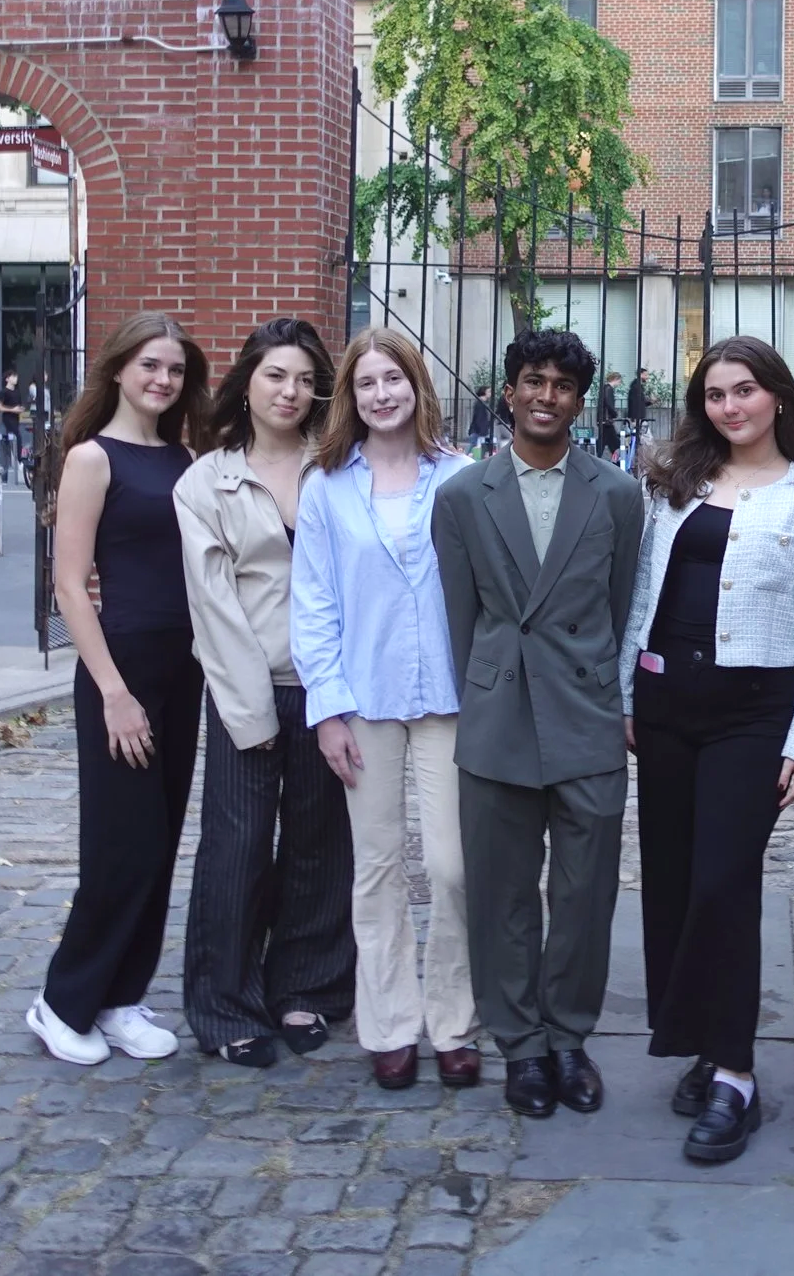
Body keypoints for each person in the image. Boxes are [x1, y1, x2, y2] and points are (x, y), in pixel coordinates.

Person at [623, 336, 794, 1165]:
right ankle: (699, 1039)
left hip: (753, 714)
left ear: (777, 396)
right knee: (675, 882)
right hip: (664, 705)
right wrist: (626, 695)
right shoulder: (674, 484)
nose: (731, 406)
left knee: (725, 882)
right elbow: (645, 595)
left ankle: (736, 1074)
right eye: (716, 394)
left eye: (745, 389)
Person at [433, 330, 645, 1119]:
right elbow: (461, 616)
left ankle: (567, 1038)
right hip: (499, 714)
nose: (545, 395)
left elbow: (621, 604)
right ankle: (520, 1043)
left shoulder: (617, 494)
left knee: (586, 890)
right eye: (532, 380)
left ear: (581, 400)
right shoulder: (464, 495)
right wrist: (487, 690)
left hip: (586, 711)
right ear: (509, 391)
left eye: (561, 384)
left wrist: (606, 690)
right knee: (502, 890)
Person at [290, 327, 479, 1092]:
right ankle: (391, 1023)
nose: (381, 394)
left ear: (416, 385)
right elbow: (313, 604)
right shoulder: (326, 486)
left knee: (452, 866)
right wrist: (327, 709)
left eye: (392, 379)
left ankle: (454, 1019)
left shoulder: (461, 477)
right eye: (366, 383)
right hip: (364, 695)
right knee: (376, 866)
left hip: (448, 696)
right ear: (351, 396)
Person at [26, 312, 211, 1066]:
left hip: (182, 669)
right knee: (119, 848)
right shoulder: (92, 459)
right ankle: (62, 1001)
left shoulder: (185, 458)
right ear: (120, 369)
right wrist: (113, 692)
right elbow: (70, 586)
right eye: (150, 365)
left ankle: (120, 997)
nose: (163, 379)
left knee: (159, 844)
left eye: (175, 369)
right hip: (122, 669)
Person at [176, 317, 357, 1068]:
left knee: (320, 845)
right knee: (238, 849)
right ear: (246, 383)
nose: (290, 391)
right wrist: (253, 713)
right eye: (275, 375)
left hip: (332, 690)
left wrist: (337, 693)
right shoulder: (206, 482)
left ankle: (306, 988)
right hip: (246, 688)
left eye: (306, 378)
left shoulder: (339, 467)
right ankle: (225, 1005)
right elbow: (213, 607)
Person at [0, 373, 26, 478]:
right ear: (7, 379)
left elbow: (19, 405)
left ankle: (1, 457)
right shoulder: (4, 392)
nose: (15, 379)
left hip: (16, 418)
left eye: (16, 377)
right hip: (8, 418)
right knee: (17, 437)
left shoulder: (17, 392)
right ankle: (19, 460)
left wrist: (20, 409)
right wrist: (12, 410)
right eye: (13, 377)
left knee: (12, 439)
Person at [596, 373, 623, 459]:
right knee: (613, 442)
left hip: (603, 420)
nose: (619, 383)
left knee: (607, 441)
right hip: (606, 420)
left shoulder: (604, 388)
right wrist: (614, 413)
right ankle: (617, 460)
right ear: (615, 379)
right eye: (619, 381)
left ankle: (599, 457)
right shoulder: (608, 389)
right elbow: (609, 403)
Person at [468, 384, 496, 459]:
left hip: (481, 430)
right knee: (472, 447)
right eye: (489, 391)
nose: (490, 393)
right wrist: (483, 431)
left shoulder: (482, 403)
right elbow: (479, 419)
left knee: (480, 448)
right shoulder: (480, 404)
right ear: (484, 392)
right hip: (478, 431)